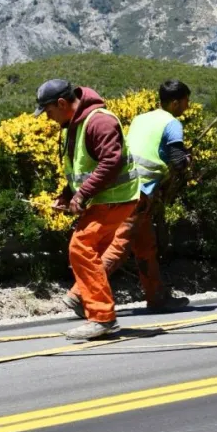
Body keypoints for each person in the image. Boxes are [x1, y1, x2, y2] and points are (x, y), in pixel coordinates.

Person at [33, 79, 141, 340]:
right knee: (92, 251)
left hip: (115, 197)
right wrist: (67, 194)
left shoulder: (99, 121)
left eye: (48, 112)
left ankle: (101, 317)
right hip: (107, 198)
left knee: (80, 248)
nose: (48, 118)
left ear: (61, 103)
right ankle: (88, 302)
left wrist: (82, 194)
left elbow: (111, 161)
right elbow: (82, 168)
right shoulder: (77, 123)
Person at [92, 80, 194, 313]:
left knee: (145, 246)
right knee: (119, 245)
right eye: (186, 101)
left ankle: (157, 298)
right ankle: (82, 294)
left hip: (122, 188)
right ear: (175, 102)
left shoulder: (140, 118)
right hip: (140, 191)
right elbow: (178, 162)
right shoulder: (172, 123)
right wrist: (188, 159)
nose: (187, 106)